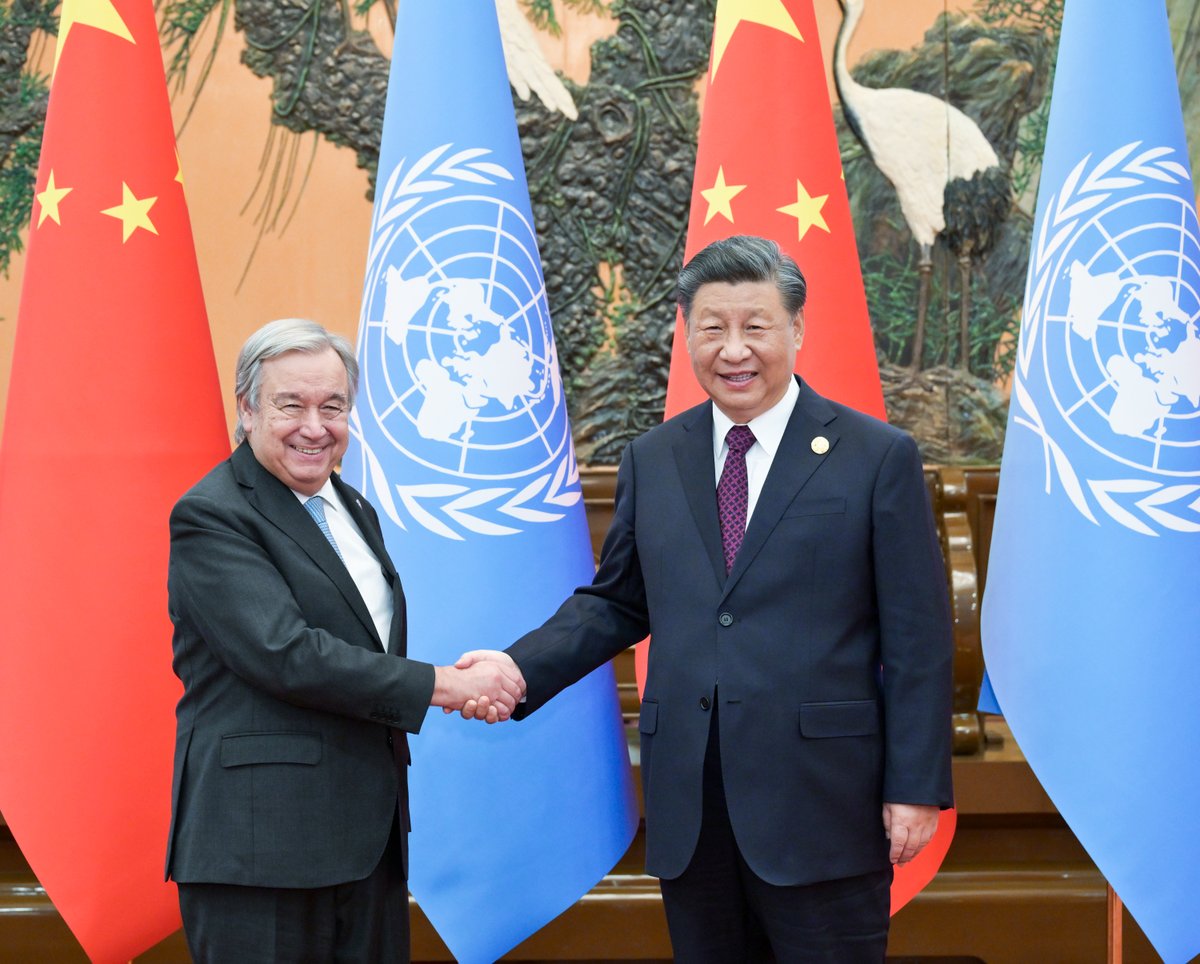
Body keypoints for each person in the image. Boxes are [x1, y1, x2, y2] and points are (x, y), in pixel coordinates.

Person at [458, 236, 953, 961]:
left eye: (755, 326)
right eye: (712, 328)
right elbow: (618, 603)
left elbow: (918, 636)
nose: (734, 349)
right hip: (694, 806)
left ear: (797, 330)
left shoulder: (875, 456)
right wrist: (515, 667)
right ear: (686, 334)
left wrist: (914, 786)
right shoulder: (654, 459)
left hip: (823, 805)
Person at [165, 318, 523, 963]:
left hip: (367, 840)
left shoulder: (352, 506)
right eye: (290, 405)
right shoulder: (213, 514)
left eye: (333, 406)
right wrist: (446, 685)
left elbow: (360, 645)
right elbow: (285, 653)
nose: (315, 426)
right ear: (246, 409)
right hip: (260, 847)